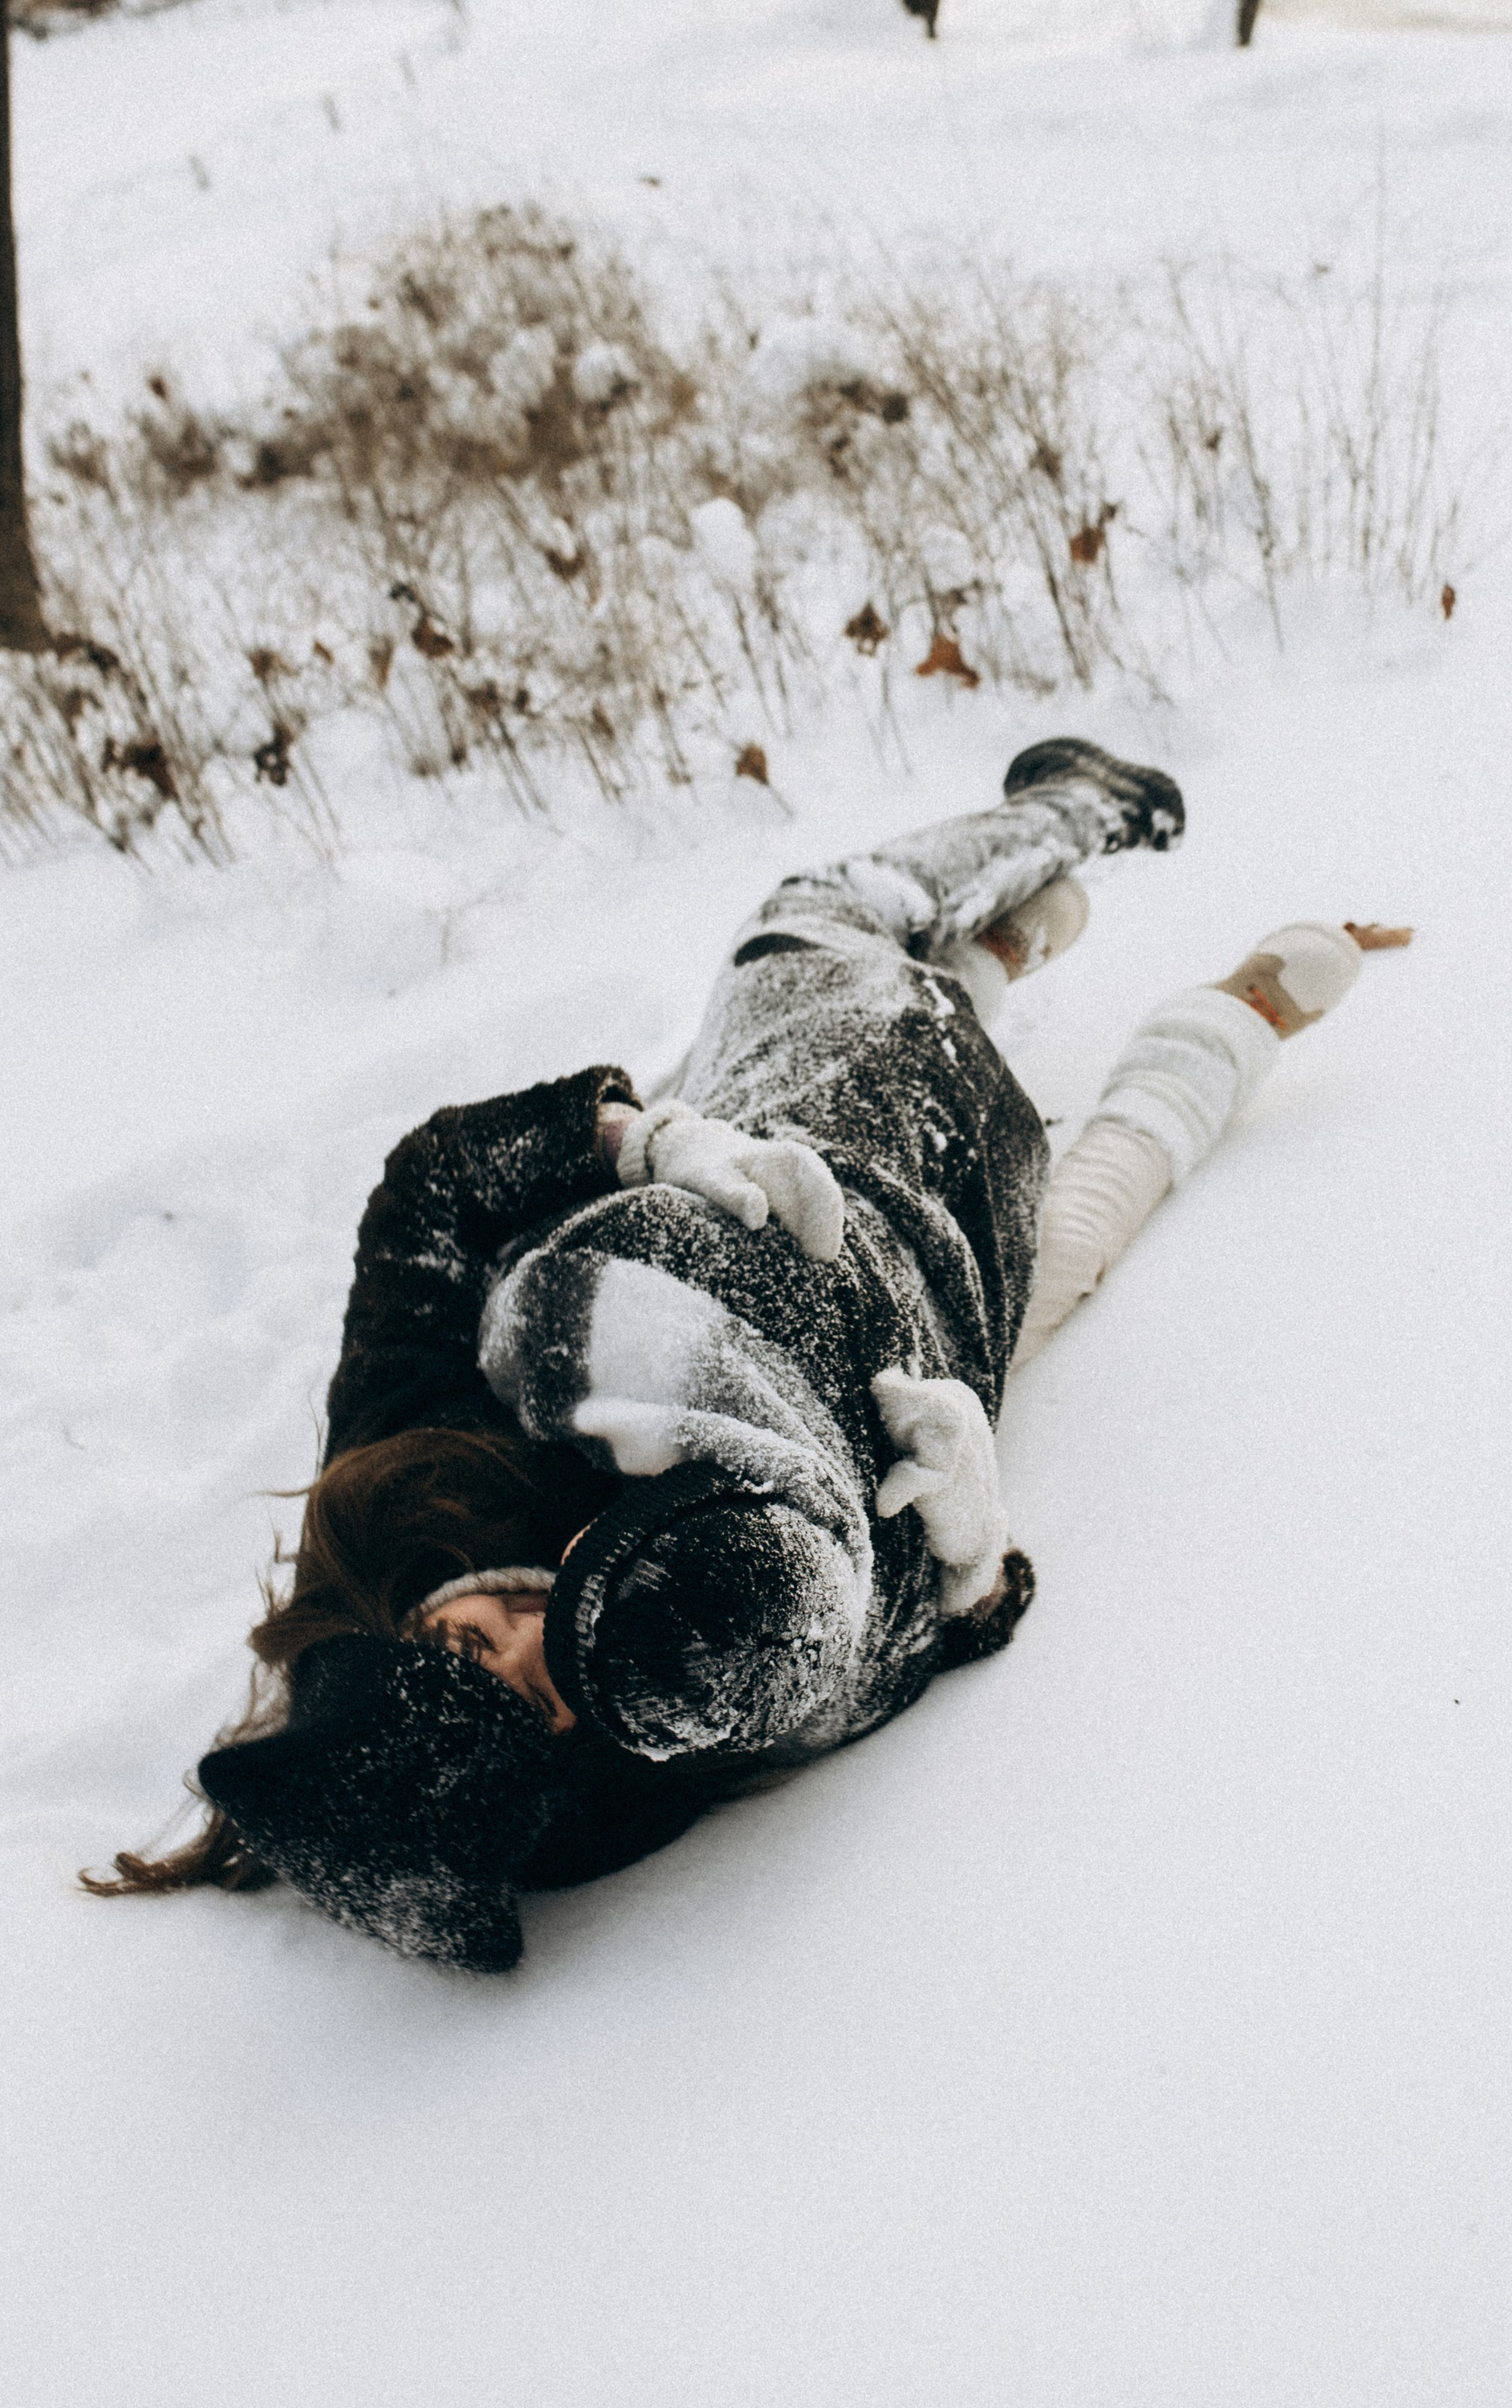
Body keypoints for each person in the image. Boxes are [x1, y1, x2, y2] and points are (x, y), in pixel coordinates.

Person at [85, 738, 1408, 1972]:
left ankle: (1068, 819)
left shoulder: (402, 1493)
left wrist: (631, 1141)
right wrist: (971, 1563)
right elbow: (898, 1651)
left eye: (467, 1646)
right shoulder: (672, 1705)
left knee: (827, 920)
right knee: (1084, 1221)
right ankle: (1241, 1012)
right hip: (950, 1264)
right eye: (540, 1700)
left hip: (780, 1139)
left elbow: (428, 1200)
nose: (529, 1635)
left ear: (391, 1626)